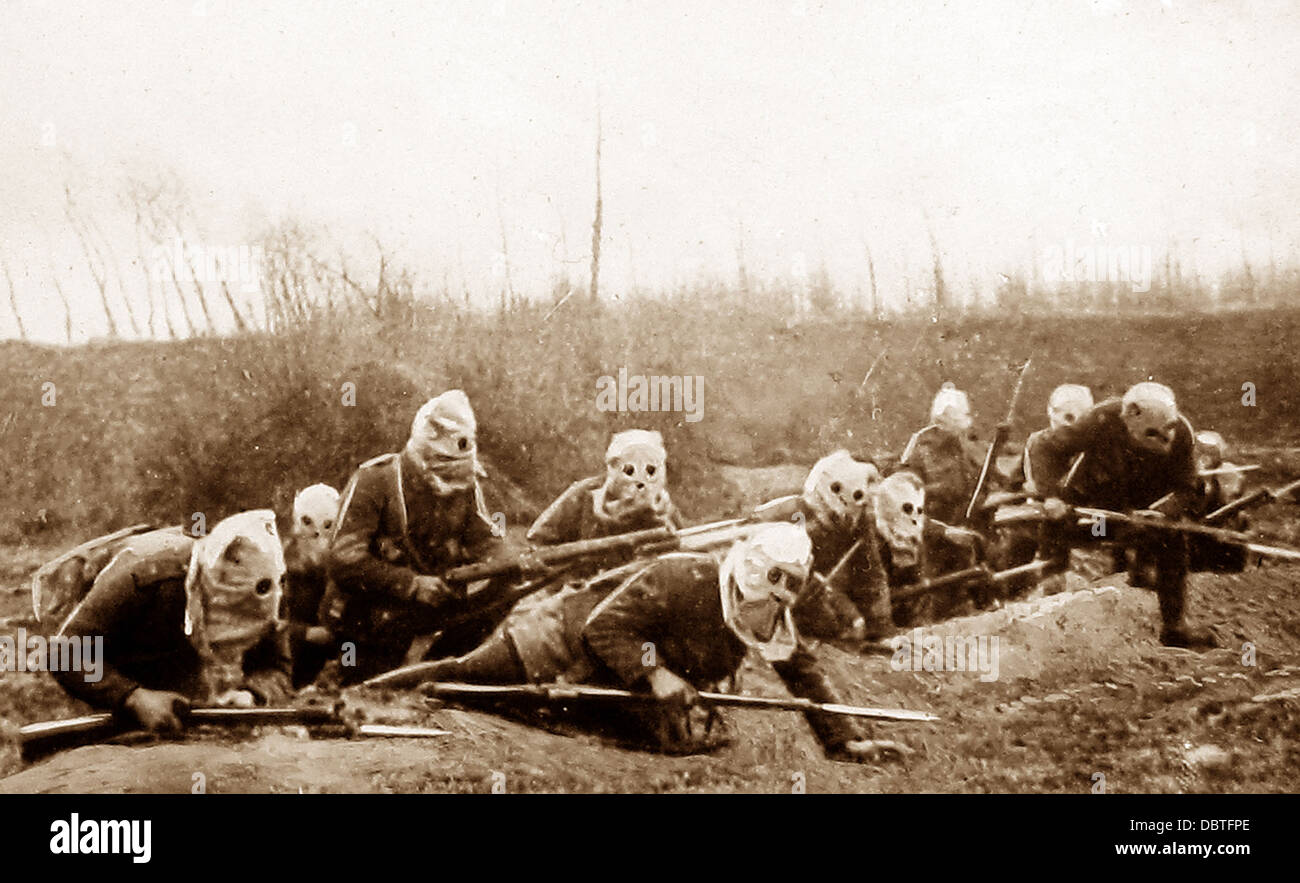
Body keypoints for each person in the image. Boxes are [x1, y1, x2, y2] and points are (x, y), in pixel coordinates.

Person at [397, 523, 911, 763]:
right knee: (452, 682)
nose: (764, 615)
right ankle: (372, 696)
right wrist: (657, 673)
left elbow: (801, 670)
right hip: (555, 642)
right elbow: (605, 628)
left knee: (676, 745)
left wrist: (843, 738)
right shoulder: (681, 577)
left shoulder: (774, 609)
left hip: (610, 682)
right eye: (757, 601)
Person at [323, 390, 512, 683]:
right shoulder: (375, 480)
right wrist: (410, 584)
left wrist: (507, 564)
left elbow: (489, 539)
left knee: (506, 587)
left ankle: (441, 665)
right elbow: (343, 560)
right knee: (371, 691)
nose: (450, 487)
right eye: (444, 474)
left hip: (431, 609)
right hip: (369, 617)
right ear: (422, 457)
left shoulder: (466, 486)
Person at [50, 511, 293, 732]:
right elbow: (64, 652)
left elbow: (277, 668)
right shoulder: (144, 578)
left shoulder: (268, 592)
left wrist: (251, 694)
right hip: (115, 640)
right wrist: (132, 697)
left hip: (177, 645)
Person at [1026, 381, 1216, 649]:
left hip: (1144, 515)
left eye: (1163, 435)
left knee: (1174, 539)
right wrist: (1051, 496)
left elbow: (1188, 489)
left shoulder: (1182, 435)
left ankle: (1174, 625)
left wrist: (1160, 513)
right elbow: (1045, 446)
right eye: (1149, 434)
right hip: (1098, 512)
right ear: (1129, 417)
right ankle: (1048, 593)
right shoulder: (1102, 419)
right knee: (1056, 523)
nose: (1158, 441)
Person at [283, 483, 340, 688]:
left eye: (327, 525)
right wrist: (305, 634)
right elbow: (263, 624)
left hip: (335, 667)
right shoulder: (280, 564)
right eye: (307, 522)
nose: (317, 534)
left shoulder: (348, 563)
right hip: (289, 666)